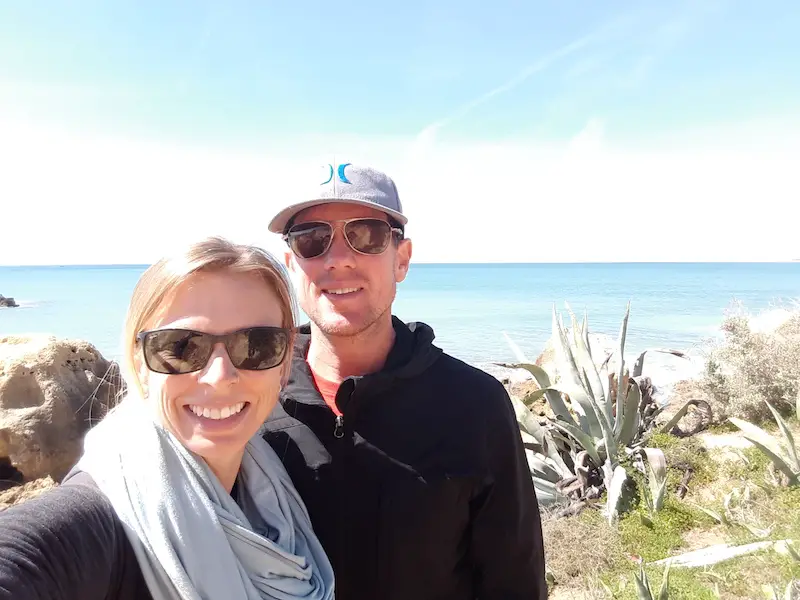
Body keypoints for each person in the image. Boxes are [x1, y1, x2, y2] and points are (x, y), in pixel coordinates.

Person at [261, 163, 547, 600]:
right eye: (312, 239)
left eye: (367, 234)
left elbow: (514, 582)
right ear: (291, 265)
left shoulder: (474, 404)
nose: (337, 258)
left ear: (402, 259)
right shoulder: (250, 400)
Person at [0, 237, 335, 600]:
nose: (219, 376)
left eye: (256, 345)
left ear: (284, 362)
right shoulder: (103, 517)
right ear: (139, 363)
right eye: (179, 346)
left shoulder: (278, 497)